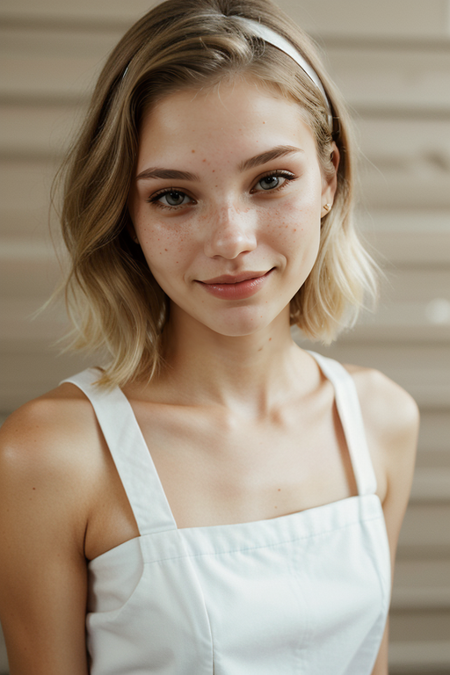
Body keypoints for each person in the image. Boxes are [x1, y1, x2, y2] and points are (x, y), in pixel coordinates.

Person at [0, 0, 419, 673]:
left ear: (328, 180)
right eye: (174, 195)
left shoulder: (380, 420)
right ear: (126, 214)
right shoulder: (48, 456)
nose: (232, 241)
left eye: (271, 180)